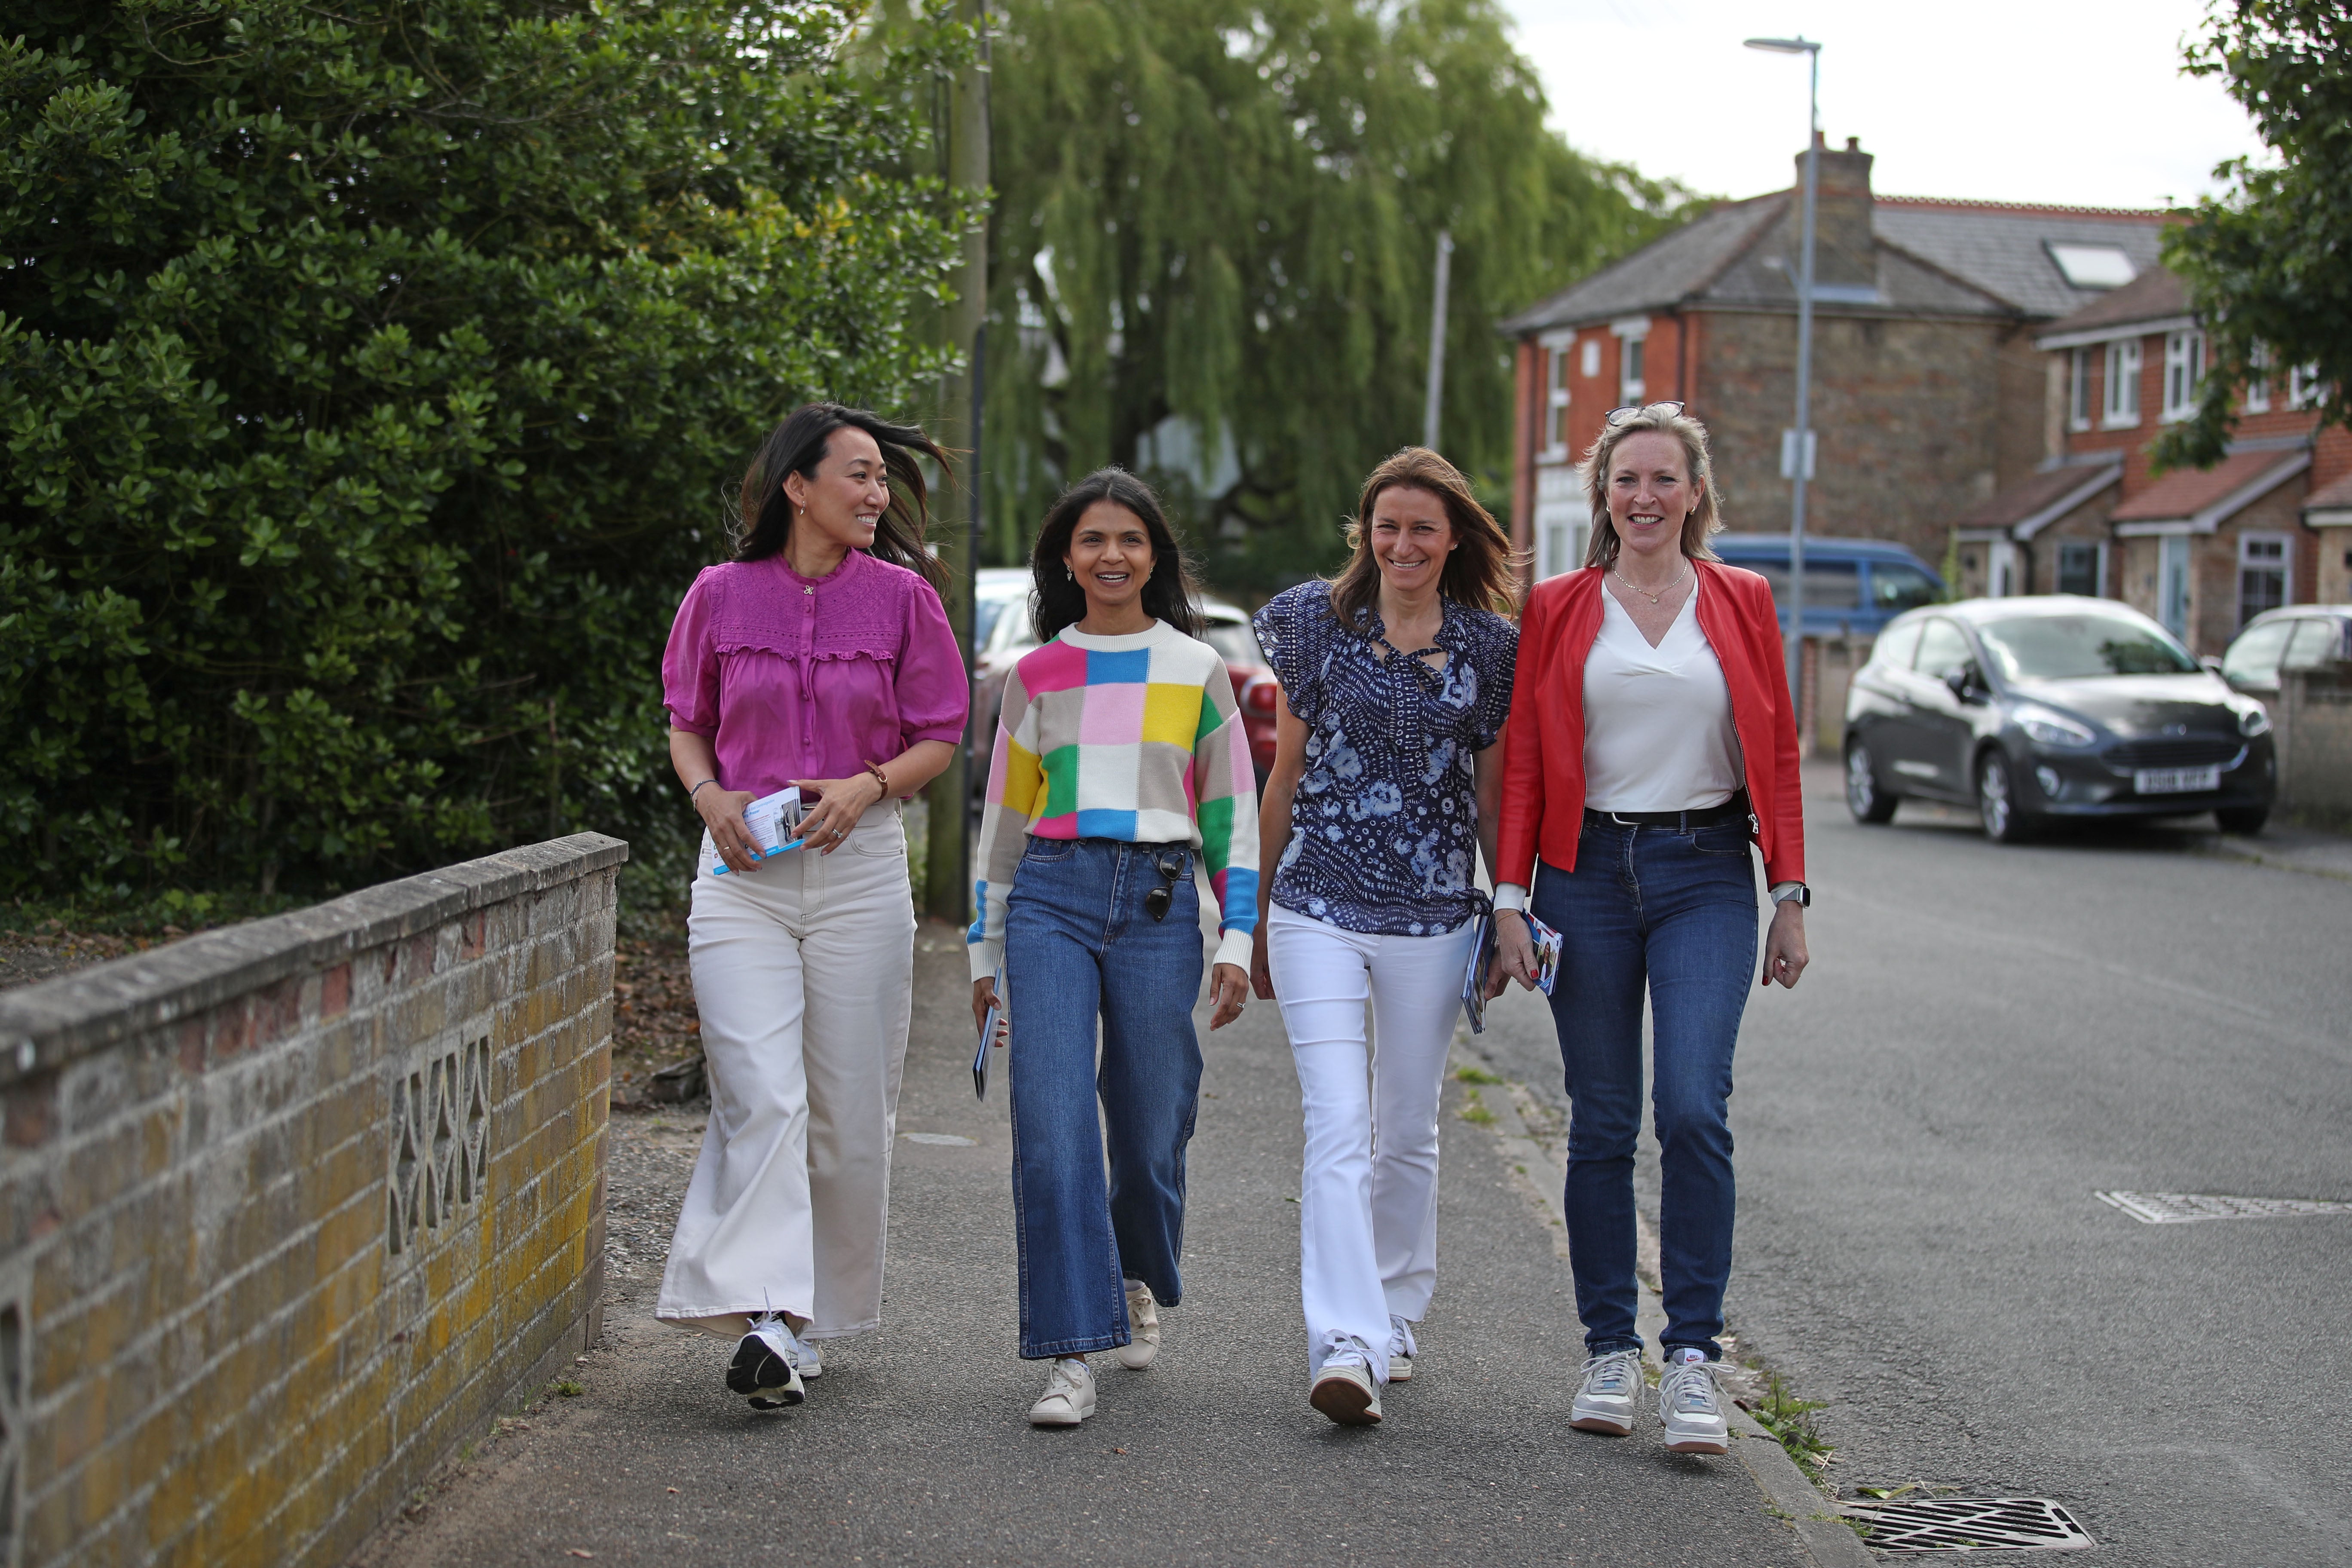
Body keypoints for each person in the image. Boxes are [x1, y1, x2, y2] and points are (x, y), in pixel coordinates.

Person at [1491, 401, 1809, 1455]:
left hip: (1706, 873)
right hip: (1582, 876)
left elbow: (1782, 753)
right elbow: (1529, 758)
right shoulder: (1559, 607)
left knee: (1691, 1109)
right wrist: (1510, 900)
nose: (1644, 498)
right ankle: (1608, 1349)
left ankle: (1694, 1359)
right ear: (1604, 495)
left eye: (1664, 479)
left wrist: (1792, 896)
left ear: (1696, 493)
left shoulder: (1745, 600)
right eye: (1627, 480)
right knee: (1599, 1119)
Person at [656, 403, 970, 1410]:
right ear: (798, 485)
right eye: (861, 475)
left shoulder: (906, 601)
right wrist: (709, 800)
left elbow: (939, 735)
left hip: (861, 869)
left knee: (844, 1110)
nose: (880, 494)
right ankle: (765, 1316)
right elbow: (686, 725)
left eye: (885, 478)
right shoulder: (717, 594)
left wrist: (870, 785)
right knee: (761, 1092)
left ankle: (810, 1320)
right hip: (740, 873)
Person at [967, 469, 1258, 1428]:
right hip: (1052, 895)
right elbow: (1003, 823)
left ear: (1155, 557)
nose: (1111, 556)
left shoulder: (1197, 668)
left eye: (1130, 539)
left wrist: (1240, 937)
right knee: (1051, 1131)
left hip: (1162, 903)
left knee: (1148, 1127)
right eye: (1092, 540)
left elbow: (1232, 817)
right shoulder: (1036, 675)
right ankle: (1068, 1351)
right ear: (1065, 558)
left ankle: (1138, 1273)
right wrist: (983, 949)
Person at [1249, 448, 1520, 1426]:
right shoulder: (1311, 627)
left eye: (1422, 529)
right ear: (1366, 533)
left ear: (1453, 540)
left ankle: (1399, 1315)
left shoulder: (1493, 649)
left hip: (1438, 913)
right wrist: (1255, 919)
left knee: (1406, 1128)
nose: (1401, 545)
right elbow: (1282, 777)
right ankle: (1346, 1342)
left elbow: (1492, 795)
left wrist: (1511, 906)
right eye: (1386, 526)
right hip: (1317, 898)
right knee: (1338, 1125)